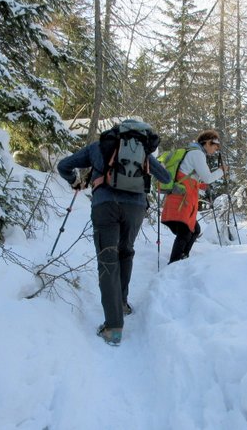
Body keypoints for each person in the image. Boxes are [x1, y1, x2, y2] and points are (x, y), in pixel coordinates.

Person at [57, 120, 170, 346]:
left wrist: (75, 181)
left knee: (108, 259)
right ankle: (123, 303)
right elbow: (165, 178)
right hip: (135, 208)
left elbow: (63, 166)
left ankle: (113, 328)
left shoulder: (99, 147)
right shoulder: (143, 152)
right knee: (125, 252)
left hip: (105, 205)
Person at [161, 129, 226, 264]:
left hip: (178, 198)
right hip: (182, 201)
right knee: (185, 232)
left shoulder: (191, 152)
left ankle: (182, 260)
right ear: (207, 143)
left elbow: (186, 176)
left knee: (194, 230)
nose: (215, 150)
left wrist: (199, 185)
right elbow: (208, 178)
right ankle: (174, 263)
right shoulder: (197, 154)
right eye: (215, 146)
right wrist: (221, 171)